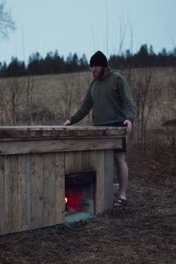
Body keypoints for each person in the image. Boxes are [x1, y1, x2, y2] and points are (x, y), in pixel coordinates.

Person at [63, 50, 136, 207]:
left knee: (119, 160)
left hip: (117, 127)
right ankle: (103, 195)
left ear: (104, 66)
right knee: (101, 163)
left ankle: (122, 195)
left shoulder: (118, 80)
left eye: (95, 66)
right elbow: (85, 107)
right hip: (99, 129)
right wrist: (71, 120)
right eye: (91, 67)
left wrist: (129, 119)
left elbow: (128, 102)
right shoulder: (94, 85)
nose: (93, 70)